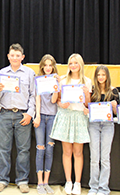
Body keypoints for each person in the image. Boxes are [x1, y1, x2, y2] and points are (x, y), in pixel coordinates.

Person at [0, 43, 36, 193]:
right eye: (12, 55)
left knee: (23, 150)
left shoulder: (30, 73)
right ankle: (2, 179)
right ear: (8, 57)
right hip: (5, 114)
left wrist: (30, 113)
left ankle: (23, 180)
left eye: (18, 55)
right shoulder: (2, 72)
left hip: (22, 115)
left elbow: (33, 95)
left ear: (22, 57)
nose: (15, 58)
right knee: (3, 149)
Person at [50, 53, 92, 195]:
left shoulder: (87, 81)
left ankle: (77, 183)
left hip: (79, 117)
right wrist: (62, 104)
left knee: (78, 152)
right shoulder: (63, 80)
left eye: (76, 63)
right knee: (67, 152)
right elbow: (58, 100)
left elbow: (88, 104)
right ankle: (68, 181)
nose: (73, 66)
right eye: (71, 63)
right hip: (66, 116)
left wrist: (86, 94)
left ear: (81, 64)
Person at [88, 66, 120, 195]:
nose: (101, 77)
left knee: (105, 158)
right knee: (94, 158)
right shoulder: (93, 91)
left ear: (107, 76)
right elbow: (88, 107)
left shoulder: (114, 91)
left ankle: (103, 188)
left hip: (108, 125)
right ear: (95, 77)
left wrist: (114, 107)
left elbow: (117, 114)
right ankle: (93, 187)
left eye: (103, 75)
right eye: (98, 75)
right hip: (94, 125)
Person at [33, 54, 59, 195]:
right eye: (46, 65)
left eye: (50, 65)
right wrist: (37, 116)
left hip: (53, 117)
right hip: (41, 117)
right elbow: (37, 99)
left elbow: (54, 100)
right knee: (40, 148)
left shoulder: (55, 80)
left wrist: (56, 86)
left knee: (49, 149)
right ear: (42, 66)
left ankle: (46, 182)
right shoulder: (38, 80)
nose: (48, 67)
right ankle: (39, 183)